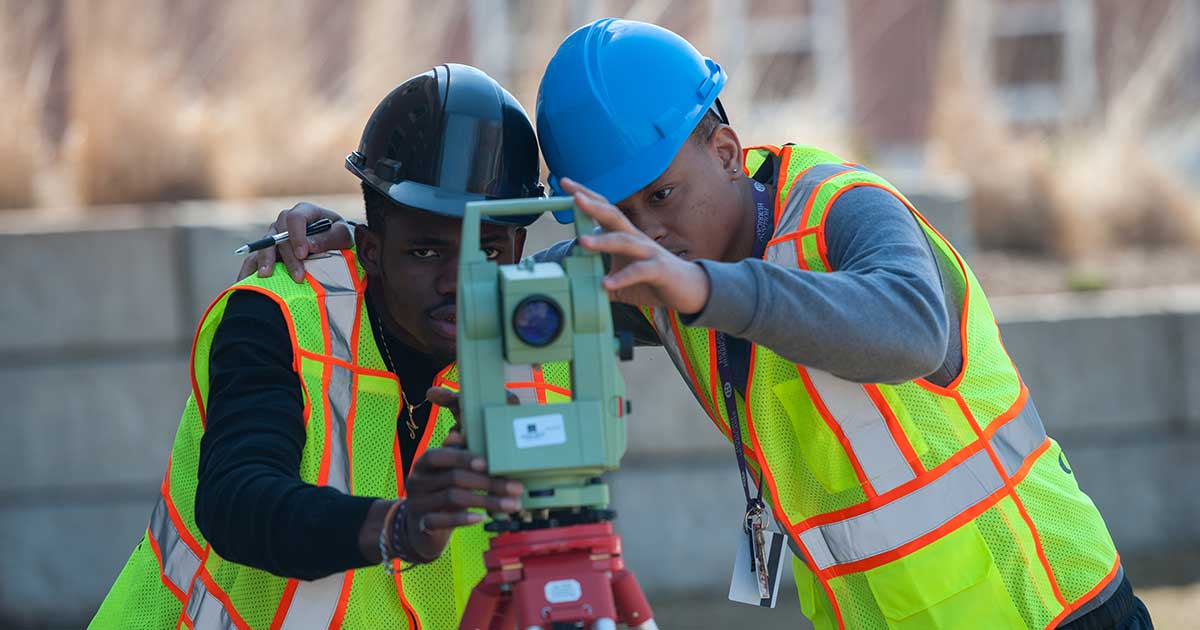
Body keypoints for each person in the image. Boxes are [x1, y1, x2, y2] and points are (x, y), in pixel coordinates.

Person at [266, 18, 1151, 630]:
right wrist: (379, 235)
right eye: (618, 213)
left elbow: (911, 329)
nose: (646, 232)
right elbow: (513, 291)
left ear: (725, 152)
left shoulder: (843, 209)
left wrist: (701, 288)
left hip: (1052, 607)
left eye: (663, 195)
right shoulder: (660, 268)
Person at [90, 63, 571, 630]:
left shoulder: (543, 333)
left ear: (519, 246)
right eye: (425, 252)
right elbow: (236, 501)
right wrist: (399, 526)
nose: (459, 279)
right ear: (369, 248)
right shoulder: (280, 315)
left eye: (488, 250)